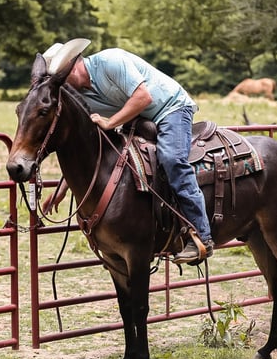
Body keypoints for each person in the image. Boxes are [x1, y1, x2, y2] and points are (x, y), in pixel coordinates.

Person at [43, 39, 213, 264]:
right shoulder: (81, 96)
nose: (62, 86)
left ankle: (202, 235)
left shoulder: (111, 61)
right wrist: (62, 189)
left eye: (61, 80)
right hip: (138, 118)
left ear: (72, 67)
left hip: (170, 108)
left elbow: (143, 97)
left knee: (172, 159)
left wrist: (110, 122)